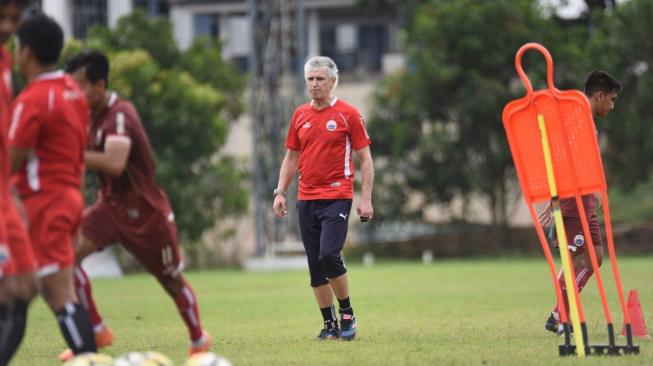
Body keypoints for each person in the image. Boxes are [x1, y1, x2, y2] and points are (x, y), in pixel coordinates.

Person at [61, 50, 211, 360]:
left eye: (79, 85)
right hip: (109, 208)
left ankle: (198, 340)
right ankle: (96, 330)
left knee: (171, 281)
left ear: (99, 85)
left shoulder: (120, 113)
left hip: (145, 213)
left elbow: (115, 163)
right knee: (65, 256)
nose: (73, 92)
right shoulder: (86, 116)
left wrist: (69, 153)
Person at [8, 13, 97, 358]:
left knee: (40, 294)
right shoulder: (73, 92)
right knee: (45, 292)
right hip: (68, 197)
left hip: (39, 204)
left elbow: (8, 165)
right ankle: (91, 358)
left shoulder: (32, 100)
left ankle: (90, 360)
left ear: (26, 52)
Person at [272, 56, 374, 341]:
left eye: (320, 79)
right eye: (310, 79)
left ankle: (347, 313)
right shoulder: (300, 115)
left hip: (337, 196)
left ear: (333, 82)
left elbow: (365, 159)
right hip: (306, 199)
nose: (314, 84)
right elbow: (291, 157)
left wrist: (365, 199)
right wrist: (280, 192)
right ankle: (328, 324)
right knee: (315, 265)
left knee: (329, 254)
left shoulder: (348, 114)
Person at [540, 70, 622, 335]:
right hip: (572, 201)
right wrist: (554, 198)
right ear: (599, 95)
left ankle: (556, 313)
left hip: (586, 200)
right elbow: (563, 160)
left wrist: (596, 186)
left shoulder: (587, 119)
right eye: (611, 100)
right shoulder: (575, 120)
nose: (611, 106)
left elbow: (586, 159)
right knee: (576, 261)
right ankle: (563, 317)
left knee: (596, 257)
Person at [0, 2, 39, 365]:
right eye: (3, 18)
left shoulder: (6, 61)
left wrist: (12, 191)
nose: (10, 27)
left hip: (4, 195)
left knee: (26, 287)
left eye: (15, 19)